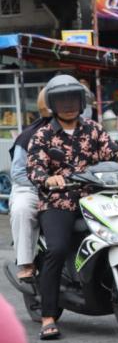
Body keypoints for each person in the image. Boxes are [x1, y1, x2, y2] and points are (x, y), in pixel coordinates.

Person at [27, 74, 118, 340]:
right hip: (59, 201)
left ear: (81, 101)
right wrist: (48, 178)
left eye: (73, 99)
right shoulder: (43, 135)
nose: (68, 105)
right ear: (52, 104)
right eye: (61, 100)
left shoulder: (93, 129)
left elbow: (115, 153)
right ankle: (49, 315)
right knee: (57, 249)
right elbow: (34, 167)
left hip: (95, 198)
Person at [9, 89, 50, 281]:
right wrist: (44, 183)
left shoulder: (86, 131)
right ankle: (27, 262)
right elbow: (18, 173)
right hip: (32, 188)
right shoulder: (28, 136)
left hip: (74, 188)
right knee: (22, 209)